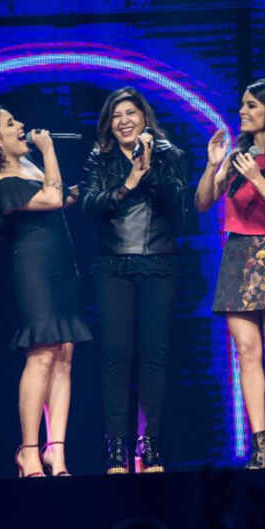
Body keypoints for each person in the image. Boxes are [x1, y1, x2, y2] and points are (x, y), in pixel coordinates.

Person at [0, 105, 92, 478]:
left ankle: (57, 451)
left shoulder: (27, 169)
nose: (21, 125)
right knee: (41, 355)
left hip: (61, 269)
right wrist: (49, 149)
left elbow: (60, 197)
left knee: (64, 355)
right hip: (34, 273)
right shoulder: (1, 182)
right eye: (11, 123)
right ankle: (29, 452)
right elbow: (51, 198)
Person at [194, 79, 265, 469]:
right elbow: (202, 202)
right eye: (242, 104)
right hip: (238, 255)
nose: (242, 111)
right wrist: (213, 165)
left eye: (252, 105)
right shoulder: (236, 157)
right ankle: (258, 442)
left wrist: (258, 180)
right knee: (246, 351)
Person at [81, 87, 188, 474]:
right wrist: (129, 181)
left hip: (158, 263)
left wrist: (149, 168)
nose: (124, 121)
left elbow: (176, 203)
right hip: (113, 265)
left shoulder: (170, 155)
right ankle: (116, 448)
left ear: (144, 118)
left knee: (154, 355)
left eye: (130, 113)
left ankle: (150, 444)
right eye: (116, 115)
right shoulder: (100, 157)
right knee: (117, 354)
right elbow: (89, 205)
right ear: (109, 124)